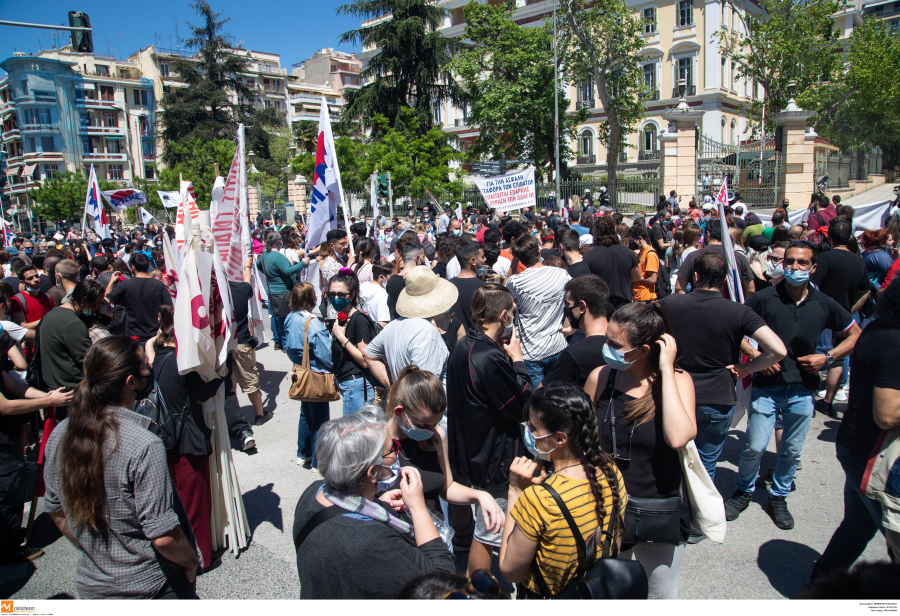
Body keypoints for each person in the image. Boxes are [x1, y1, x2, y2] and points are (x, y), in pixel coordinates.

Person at [44, 337, 202, 599]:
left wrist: (94, 552)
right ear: (130, 382)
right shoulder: (144, 444)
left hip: (92, 586)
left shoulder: (59, 434)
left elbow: (55, 510)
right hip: (151, 587)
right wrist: (190, 560)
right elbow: (163, 536)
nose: (149, 365)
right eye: (144, 363)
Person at [725, 241, 862, 530]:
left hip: (802, 389)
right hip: (767, 386)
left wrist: (828, 357)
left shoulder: (824, 303)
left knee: (790, 451)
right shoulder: (764, 298)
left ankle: (779, 496)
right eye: (789, 262)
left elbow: (855, 335)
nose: (794, 268)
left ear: (813, 268)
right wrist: (757, 355)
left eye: (802, 263)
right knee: (754, 447)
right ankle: (743, 491)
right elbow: (735, 329)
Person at [583, 302, 696, 599]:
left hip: (657, 510)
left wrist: (666, 371)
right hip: (606, 509)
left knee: (659, 595)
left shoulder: (677, 381)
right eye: (606, 339)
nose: (606, 348)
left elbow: (678, 437)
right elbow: (583, 438)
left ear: (644, 350)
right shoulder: (602, 377)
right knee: (610, 592)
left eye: (615, 344)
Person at [292, 407, 454, 598]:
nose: (395, 450)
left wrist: (376, 502)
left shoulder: (312, 493)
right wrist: (418, 507)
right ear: (372, 473)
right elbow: (443, 586)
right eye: (390, 449)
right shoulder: (372, 541)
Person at [660, 253, 786, 493]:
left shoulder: (669, 303)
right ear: (725, 279)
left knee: (671, 458)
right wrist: (747, 368)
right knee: (706, 464)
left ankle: (673, 510)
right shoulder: (739, 311)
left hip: (674, 393)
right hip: (717, 398)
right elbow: (778, 349)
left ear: (695, 277)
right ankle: (700, 518)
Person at [498, 387, 628, 597]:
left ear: (560, 439)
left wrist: (515, 491)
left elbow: (510, 571)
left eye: (533, 428)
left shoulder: (540, 500)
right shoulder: (610, 471)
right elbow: (616, 542)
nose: (528, 432)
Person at [811, 278, 900, 581]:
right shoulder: (894, 342)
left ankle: (819, 586)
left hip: (857, 446)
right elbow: (887, 413)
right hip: (875, 457)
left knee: (857, 527)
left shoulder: (878, 328)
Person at [447, 283, 533, 575]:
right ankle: (477, 590)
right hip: (493, 455)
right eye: (513, 313)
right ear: (505, 315)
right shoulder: (488, 357)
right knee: (489, 531)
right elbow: (524, 402)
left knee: (487, 527)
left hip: (472, 449)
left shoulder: (465, 344)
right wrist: (519, 360)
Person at [382, 366, 505, 542]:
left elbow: (446, 488)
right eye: (423, 425)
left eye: (436, 423)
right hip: (397, 542)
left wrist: (480, 496)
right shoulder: (377, 443)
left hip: (435, 538)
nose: (431, 430)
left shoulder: (436, 437)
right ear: (400, 411)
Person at [150, 305, 225, 568]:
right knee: (194, 502)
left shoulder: (156, 357)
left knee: (180, 501)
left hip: (165, 438)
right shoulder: (181, 362)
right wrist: (220, 375)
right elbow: (201, 393)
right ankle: (199, 558)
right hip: (186, 441)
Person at [0, 363, 72, 564]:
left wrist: (48, 397)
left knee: (13, 488)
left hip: (8, 441)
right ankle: (7, 550)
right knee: (6, 492)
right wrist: (45, 401)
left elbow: (14, 385)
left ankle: (11, 534)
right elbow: (3, 406)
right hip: (2, 444)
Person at [810, 218, 870, 416]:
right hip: (844, 318)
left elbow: (813, 286)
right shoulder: (859, 261)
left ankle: (810, 399)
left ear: (829, 236)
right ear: (851, 237)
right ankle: (828, 402)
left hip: (822, 317)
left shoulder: (825, 258)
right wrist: (850, 310)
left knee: (819, 356)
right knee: (837, 359)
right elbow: (865, 291)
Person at [365, 266, 457, 389]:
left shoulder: (392, 326)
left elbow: (368, 355)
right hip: (430, 407)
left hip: (408, 403)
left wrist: (395, 389)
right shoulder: (426, 331)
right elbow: (424, 387)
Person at [505, 235, 571, 387]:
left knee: (536, 401)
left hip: (531, 352)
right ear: (539, 253)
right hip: (558, 346)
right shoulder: (561, 274)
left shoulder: (516, 281)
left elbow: (505, 300)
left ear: (520, 259)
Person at [285, 283, 334, 470]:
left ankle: (303, 453)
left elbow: (287, 345)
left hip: (300, 371)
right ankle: (318, 461)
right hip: (316, 373)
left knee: (305, 414)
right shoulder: (312, 323)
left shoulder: (290, 318)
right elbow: (325, 354)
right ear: (311, 299)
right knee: (320, 420)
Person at [328, 269, 380, 415]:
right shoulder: (341, 317)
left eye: (341, 294)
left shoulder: (359, 320)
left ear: (351, 296)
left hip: (357, 385)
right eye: (332, 294)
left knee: (353, 434)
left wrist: (342, 338)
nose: (336, 298)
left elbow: (365, 359)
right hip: (348, 384)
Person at [543, 275, 610, 389]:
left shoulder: (574, 354)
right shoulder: (621, 345)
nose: (566, 308)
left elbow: (542, 392)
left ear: (582, 307)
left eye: (568, 304)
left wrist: (517, 359)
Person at [105, 253, 174, 346]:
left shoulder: (125, 285)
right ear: (148, 265)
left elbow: (107, 300)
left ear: (133, 267)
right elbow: (169, 307)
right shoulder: (159, 285)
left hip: (134, 337)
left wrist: (111, 281)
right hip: (155, 335)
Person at [675, 219, 754, 299]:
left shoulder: (693, 256)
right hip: (732, 308)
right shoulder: (739, 257)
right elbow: (750, 289)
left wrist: (691, 305)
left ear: (708, 234)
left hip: (700, 307)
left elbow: (679, 287)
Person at [229, 258, 266, 424]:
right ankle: (259, 414)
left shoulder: (211, 296)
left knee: (229, 385)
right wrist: (246, 266)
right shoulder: (239, 289)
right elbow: (247, 282)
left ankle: (234, 416)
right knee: (250, 379)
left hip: (223, 345)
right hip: (242, 342)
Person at [258, 233, 309, 350]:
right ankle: (285, 343)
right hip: (282, 291)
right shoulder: (277, 256)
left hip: (271, 290)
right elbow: (287, 271)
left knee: (274, 316)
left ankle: (278, 341)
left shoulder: (265, 255)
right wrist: (302, 263)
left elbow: (258, 265)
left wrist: (271, 274)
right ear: (278, 242)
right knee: (284, 318)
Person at [583, 216, 640, 310]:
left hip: (600, 306)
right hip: (624, 305)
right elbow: (637, 276)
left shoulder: (589, 256)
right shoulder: (627, 252)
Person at [449, 240, 485, 334]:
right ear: (473, 261)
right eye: (482, 257)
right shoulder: (482, 287)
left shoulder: (448, 286)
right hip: (476, 342)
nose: (484, 260)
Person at [386, 242, 424, 321]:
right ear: (417, 258)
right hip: (418, 323)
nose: (423, 259)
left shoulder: (390, 282)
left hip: (399, 324)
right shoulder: (421, 279)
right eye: (422, 256)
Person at [630, 224, 659, 302]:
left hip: (646, 298)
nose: (632, 243)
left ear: (640, 238)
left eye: (632, 241)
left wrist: (637, 278)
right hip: (638, 297)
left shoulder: (650, 254)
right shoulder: (640, 254)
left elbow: (653, 279)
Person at [359, 260, 393, 327]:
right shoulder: (384, 295)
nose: (392, 280)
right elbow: (383, 324)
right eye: (391, 277)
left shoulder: (362, 286)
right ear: (381, 277)